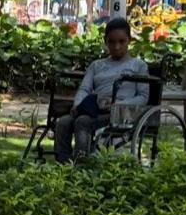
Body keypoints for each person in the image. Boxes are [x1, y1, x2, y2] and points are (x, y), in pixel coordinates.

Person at [54, 18, 148, 161]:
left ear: (129, 40)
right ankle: (62, 164)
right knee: (63, 122)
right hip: (94, 107)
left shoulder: (138, 66)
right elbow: (85, 89)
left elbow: (143, 97)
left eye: (121, 41)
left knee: (83, 121)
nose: (116, 47)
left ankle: (81, 164)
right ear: (106, 41)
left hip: (120, 112)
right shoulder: (97, 65)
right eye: (112, 42)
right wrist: (77, 105)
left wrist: (117, 105)